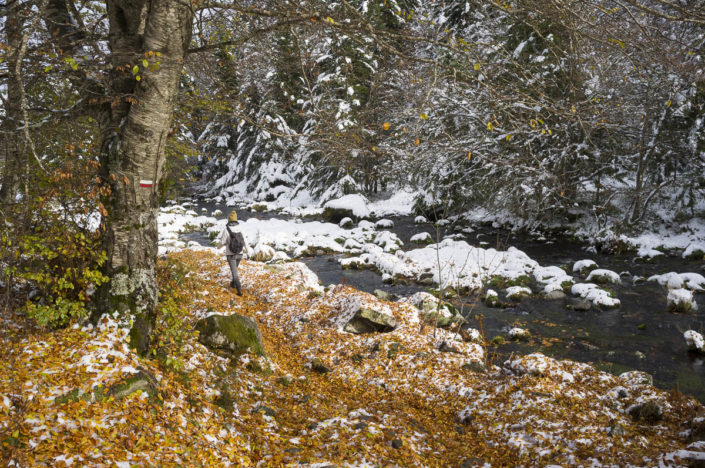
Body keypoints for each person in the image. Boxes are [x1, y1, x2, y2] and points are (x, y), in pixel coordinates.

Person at [217, 210, 253, 296]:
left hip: (231, 255)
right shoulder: (241, 229)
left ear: (229, 220)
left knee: (235, 273)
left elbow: (222, 242)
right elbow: (245, 242)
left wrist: (217, 247)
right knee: (235, 270)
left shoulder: (226, 230)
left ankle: (239, 290)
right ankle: (233, 284)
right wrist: (248, 253)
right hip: (240, 254)